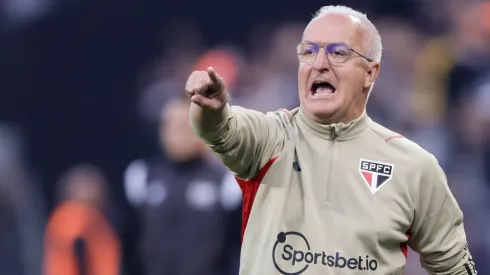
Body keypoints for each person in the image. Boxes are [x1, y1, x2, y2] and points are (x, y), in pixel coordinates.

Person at [185, 5, 478, 275]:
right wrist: (211, 110)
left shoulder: (414, 167)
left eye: (338, 53)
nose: (319, 64)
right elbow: (222, 130)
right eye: (308, 52)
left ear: (370, 73)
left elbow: (454, 265)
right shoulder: (270, 138)